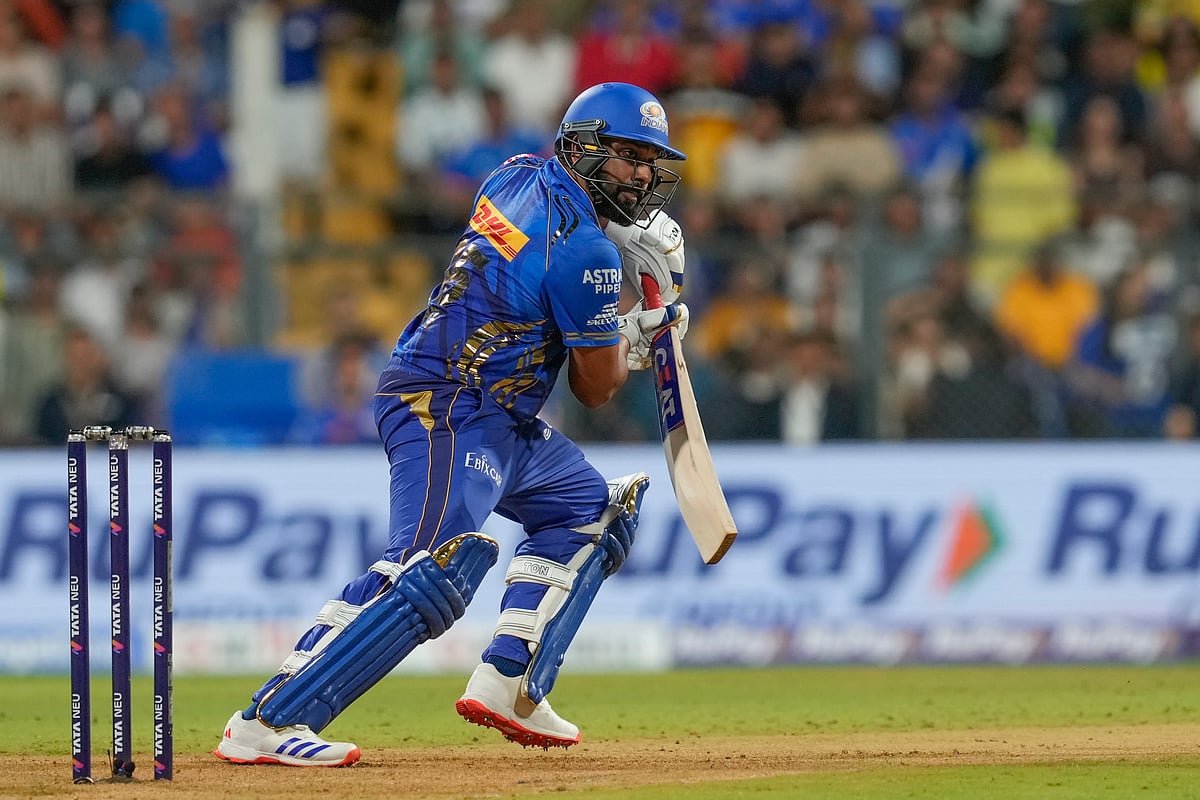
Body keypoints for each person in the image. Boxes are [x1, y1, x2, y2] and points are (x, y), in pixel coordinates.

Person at [214, 82, 691, 766]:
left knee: (592, 514)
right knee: (430, 574)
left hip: (499, 412)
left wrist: (616, 283)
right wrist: (635, 333)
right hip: (449, 404)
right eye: (626, 156)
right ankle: (267, 719)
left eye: (649, 160)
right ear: (583, 148)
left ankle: (509, 684)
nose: (643, 174)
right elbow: (595, 388)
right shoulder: (587, 255)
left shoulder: (512, 175)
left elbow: (539, 258)